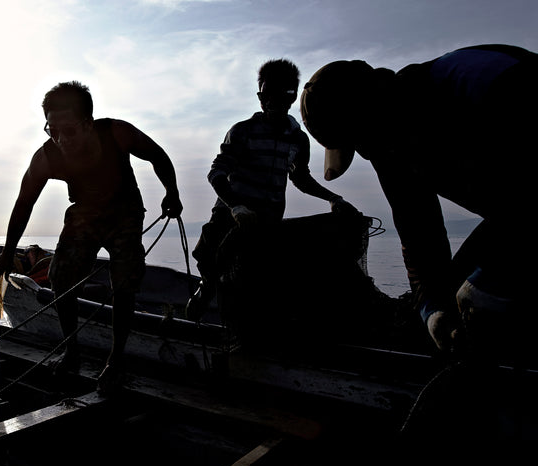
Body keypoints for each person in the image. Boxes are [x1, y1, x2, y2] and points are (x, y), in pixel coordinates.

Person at [299, 44, 536, 357]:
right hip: (516, 216)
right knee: (453, 298)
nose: (366, 151)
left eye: (357, 141)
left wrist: (493, 280)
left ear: (365, 118)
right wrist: (432, 312)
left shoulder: (475, 82)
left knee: (484, 294)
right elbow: (419, 237)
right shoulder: (391, 147)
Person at [0, 81, 183, 394]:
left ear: (87, 123)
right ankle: (72, 350)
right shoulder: (47, 157)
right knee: (61, 277)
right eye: (51, 129)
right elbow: (24, 201)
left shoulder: (117, 133)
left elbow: (157, 155)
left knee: (124, 283)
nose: (59, 139)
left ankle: (116, 359)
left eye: (67, 130)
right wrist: (8, 251)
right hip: (84, 212)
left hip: (125, 210)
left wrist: (172, 192)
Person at [186, 58, 359, 323]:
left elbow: (300, 178)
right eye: (265, 94)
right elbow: (217, 173)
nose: (271, 101)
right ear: (260, 96)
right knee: (213, 265)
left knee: (259, 280)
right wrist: (236, 206)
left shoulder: (298, 139)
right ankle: (205, 291)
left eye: (281, 94)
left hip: (267, 221)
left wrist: (334, 199)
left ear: (291, 97)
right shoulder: (243, 131)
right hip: (231, 215)